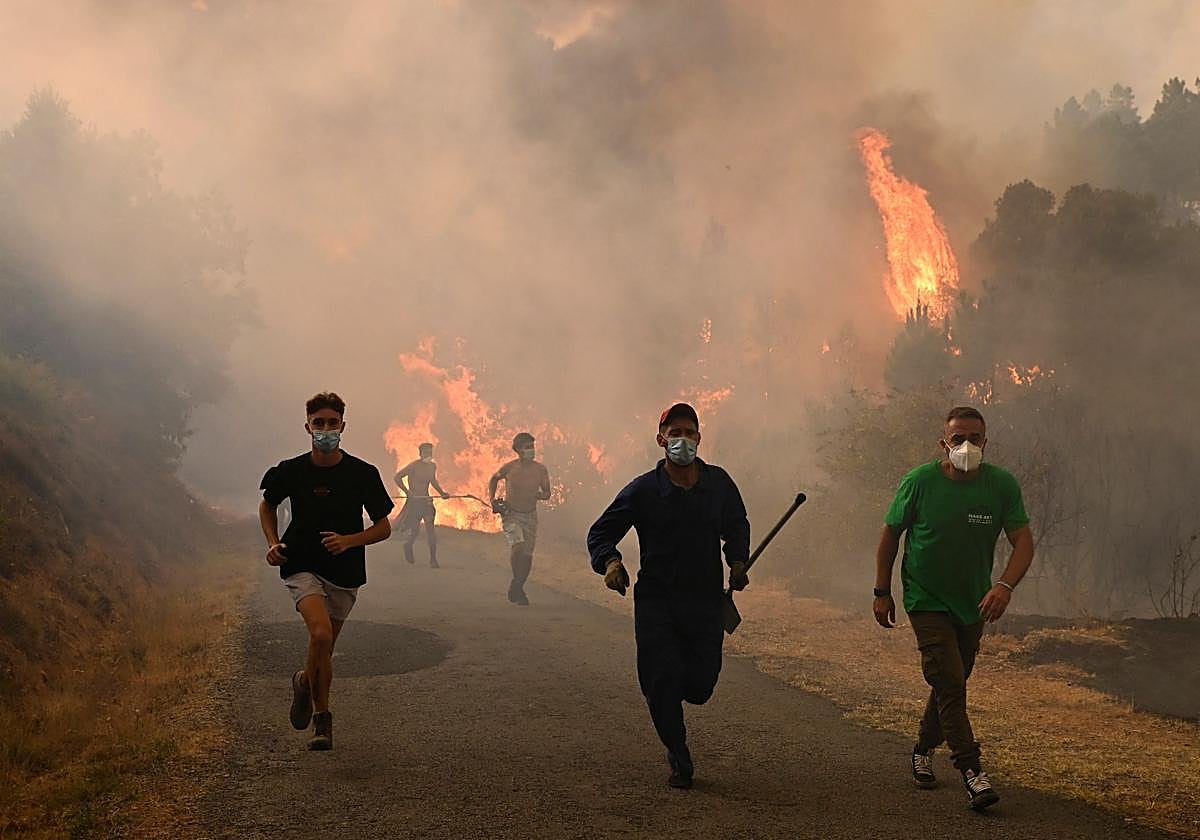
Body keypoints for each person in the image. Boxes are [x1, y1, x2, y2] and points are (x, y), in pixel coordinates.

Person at [873, 406, 1034, 810]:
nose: (966, 446)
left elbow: (1024, 542)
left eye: (974, 438)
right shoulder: (920, 482)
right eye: (957, 438)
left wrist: (1004, 586)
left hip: (973, 603)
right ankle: (971, 771)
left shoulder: (1000, 486)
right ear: (943, 443)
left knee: (952, 680)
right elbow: (891, 534)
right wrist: (882, 590)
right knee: (950, 680)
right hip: (925, 599)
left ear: (986, 442)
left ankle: (924, 747)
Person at [586, 403, 750, 789]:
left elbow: (736, 524)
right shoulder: (643, 490)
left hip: (706, 601)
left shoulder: (719, 484)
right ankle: (678, 753)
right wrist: (610, 563)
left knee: (700, 685)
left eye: (689, 433)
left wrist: (738, 561)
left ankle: (678, 697)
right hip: (657, 602)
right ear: (661, 439)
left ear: (699, 438)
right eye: (674, 433)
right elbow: (600, 533)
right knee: (661, 679)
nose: (682, 440)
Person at [258, 392, 394, 750]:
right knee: (319, 636)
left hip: (345, 572)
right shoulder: (290, 470)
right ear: (307, 426)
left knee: (324, 650)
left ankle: (304, 681)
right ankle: (323, 721)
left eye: (332, 423)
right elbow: (267, 505)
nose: (325, 429)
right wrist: (272, 543)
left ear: (343, 426)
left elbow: (384, 527)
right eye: (319, 423)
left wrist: (349, 541)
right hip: (301, 563)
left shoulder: (362, 474)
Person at [487, 432, 551, 606]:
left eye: (532, 446)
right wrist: (492, 500)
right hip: (512, 514)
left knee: (527, 555)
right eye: (527, 447)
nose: (531, 450)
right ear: (518, 450)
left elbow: (547, 492)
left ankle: (518, 585)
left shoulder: (540, 470)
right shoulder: (510, 468)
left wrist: (539, 495)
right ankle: (517, 582)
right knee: (518, 548)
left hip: (530, 516)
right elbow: (494, 479)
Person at [395, 442, 449, 568]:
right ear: (420, 453)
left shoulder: (432, 466)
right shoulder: (414, 466)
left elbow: (433, 481)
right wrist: (407, 492)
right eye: (426, 452)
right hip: (415, 503)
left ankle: (433, 560)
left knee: (431, 530)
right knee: (415, 531)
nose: (428, 455)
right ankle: (408, 545)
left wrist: (442, 493)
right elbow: (397, 477)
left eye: (430, 452)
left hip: (426, 501)